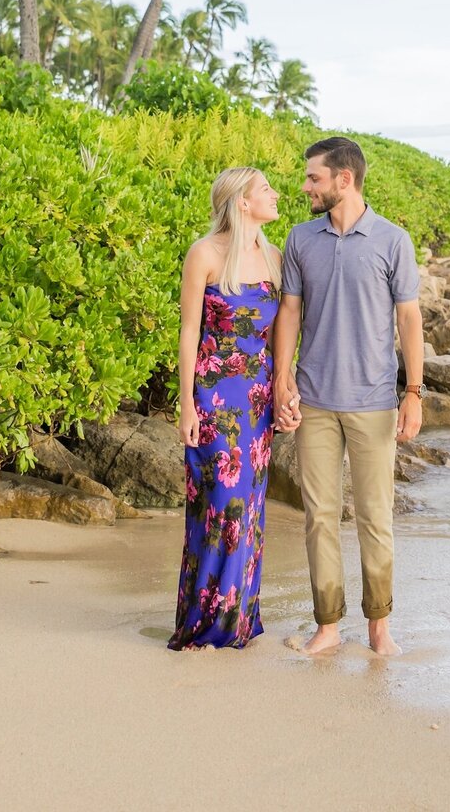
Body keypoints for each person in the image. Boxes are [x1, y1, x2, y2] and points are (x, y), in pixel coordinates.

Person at [272, 136, 424, 657]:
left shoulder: (392, 240)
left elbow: (409, 318)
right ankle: (328, 626)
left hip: (375, 401)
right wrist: (281, 379)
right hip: (313, 399)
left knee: (375, 517)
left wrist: (414, 392)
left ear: (344, 179)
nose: (305, 186)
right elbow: (289, 311)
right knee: (318, 516)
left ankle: (380, 628)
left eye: (313, 177)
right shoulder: (300, 239)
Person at [168, 167, 281, 650]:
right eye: (266, 190)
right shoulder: (204, 253)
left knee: (250, 508)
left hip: (258, 399)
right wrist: (186, 404)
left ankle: (238, 622)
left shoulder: (274, 256)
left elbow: (277, 336)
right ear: (241, 202)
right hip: (215, 398)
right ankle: (203, 624)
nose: (275, 195)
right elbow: (190, 332)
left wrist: (284, 390)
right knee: (219, 506)